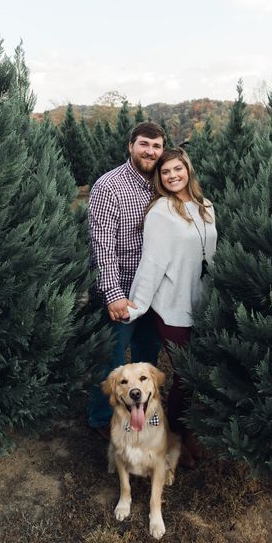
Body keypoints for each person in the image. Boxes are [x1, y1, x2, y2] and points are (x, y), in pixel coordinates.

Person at [123, 147, 217, 467]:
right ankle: (176, 434)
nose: (173, 175)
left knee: (200, 370)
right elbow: (152, 262)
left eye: (178, 169)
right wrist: (135, 305)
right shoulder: (162, 211)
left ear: (188, 170)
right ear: (160, 179)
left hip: (202, 301)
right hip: (174, 305)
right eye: (165, 172)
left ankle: (186, 428)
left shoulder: (206, 206)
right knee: (185, 373)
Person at [87, 121, 166, 438]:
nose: (151, 151)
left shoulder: (161, 184)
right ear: (131, 145)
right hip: (121, 293)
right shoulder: (109, 186)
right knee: (112, 364)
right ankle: (102, 422)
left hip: (152, 294)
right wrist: (114, 295)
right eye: (144, 144)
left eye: (157, 146)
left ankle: (142, 420)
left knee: (147, 363)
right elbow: (102, 247)